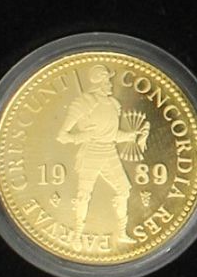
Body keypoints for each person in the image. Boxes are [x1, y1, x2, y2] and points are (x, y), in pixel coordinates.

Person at [56, 63, 146, 244]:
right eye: (106, 81)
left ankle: (121, 233)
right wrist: (83, 136)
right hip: (91, 153)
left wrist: (130, 136)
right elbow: (62, 136)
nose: (110, 84)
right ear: (97, 82)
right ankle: (77, 235)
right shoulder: (82, 103)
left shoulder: (114, 104)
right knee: (84, 194)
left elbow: (111, 135)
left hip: (110, 153)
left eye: (109, 81)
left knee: (124, 189)